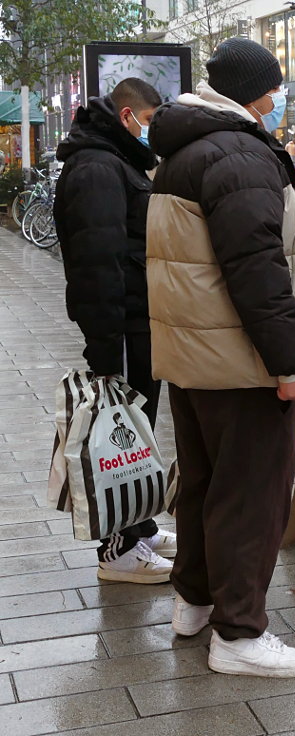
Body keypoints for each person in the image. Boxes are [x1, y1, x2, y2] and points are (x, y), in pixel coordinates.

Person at [146, 37, 295, 678]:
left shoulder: (185, 150)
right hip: (243, 362)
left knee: (202, 485)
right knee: (250, 496)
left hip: (196, 358)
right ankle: (240, 634)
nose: (278, 98)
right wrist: (290, 364)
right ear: (250, 89)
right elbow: (257, 270)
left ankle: (194, 602)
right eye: (273, 87)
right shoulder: (239, 154)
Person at [54, 78, 176, 584]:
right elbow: (96, 264)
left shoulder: (115, 159)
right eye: (150, 120)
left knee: (137, 430)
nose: (153, 132)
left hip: (135, 321)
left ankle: (138, 526)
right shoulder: (99, 166)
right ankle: (118, 550)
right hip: (121, 328)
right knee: (119, 435)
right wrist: (104, 351)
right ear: (128, 116)